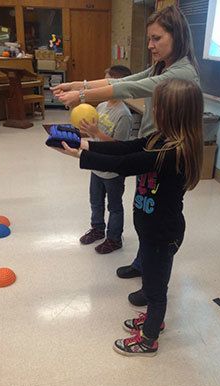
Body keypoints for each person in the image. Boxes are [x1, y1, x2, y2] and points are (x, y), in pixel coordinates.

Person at [52, 5, 199, 307]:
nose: (150, 45)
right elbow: (120, 82)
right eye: (149, 39)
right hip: (150, 143)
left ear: (177, 36)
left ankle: (153, 278)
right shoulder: (162, 65)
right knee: (144, 210)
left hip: (163, 153)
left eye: (157, 38)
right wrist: (78, 85)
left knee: (157, 217)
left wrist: (80, 98)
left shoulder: (180, 73)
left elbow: (127, 87)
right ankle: (143, 263)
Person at [52, 78, 204, 356]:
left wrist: (79, 156)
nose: (153, 111)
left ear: (173, 112)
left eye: (158, 106)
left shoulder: (172, 152)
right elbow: (126, 148)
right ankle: (152, 323)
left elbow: (124, 164)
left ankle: (148, 340)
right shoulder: (159, 138)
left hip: (162, 232)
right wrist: (87, 144)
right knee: (151, 279)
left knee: (156, 291)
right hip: (150, 228)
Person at [78, 65, 133, 254]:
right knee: (95, 201)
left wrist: (96, 132)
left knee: (114, 206)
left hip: (113, 170)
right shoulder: (101, 106)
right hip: (96, 164)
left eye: (108, 82)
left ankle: (114, 238)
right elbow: (94, 136)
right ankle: (98, 229)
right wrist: (85, 131)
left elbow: (120, 146)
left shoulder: (124, 115)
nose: (103, 88)